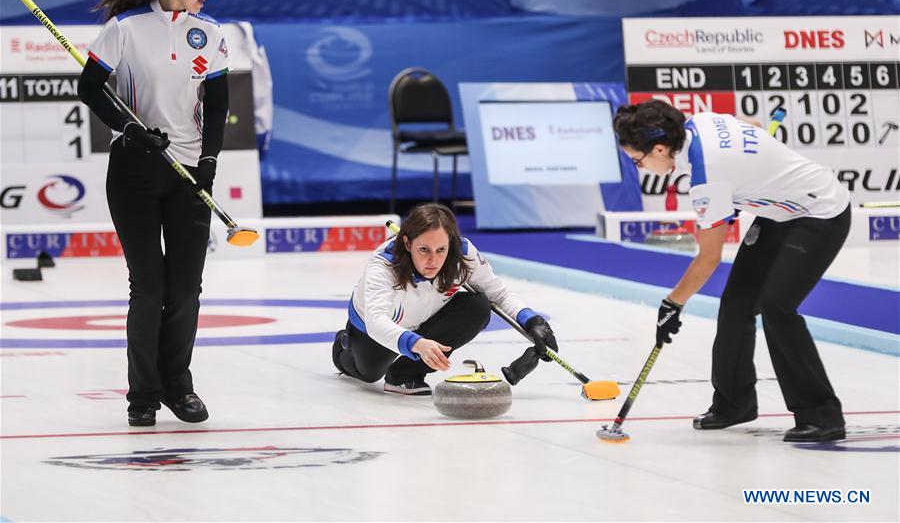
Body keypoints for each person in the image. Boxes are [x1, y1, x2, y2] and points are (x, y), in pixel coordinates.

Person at [614, 99, 850, 443]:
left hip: (819, 212)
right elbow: (752, 129)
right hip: (779, 211)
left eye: (638, 159)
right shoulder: (700, 122)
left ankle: (822, 415)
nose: (640, 166)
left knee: (776, 306)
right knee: (738, 301)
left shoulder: (707, 175)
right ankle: (733, 402)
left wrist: (672, 304)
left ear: (661, 148)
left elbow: (708, 258)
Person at [77, 0, 229, 427]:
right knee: (148, 285)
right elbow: (90, 87)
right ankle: (142, 394)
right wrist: (130, 129)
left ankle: (178, 387)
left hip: (188, 175)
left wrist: (209, 161)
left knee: (185, 288)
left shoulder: (211, 32)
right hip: (135, 173)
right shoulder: (126, 28)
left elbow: (219, 101)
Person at [332, 203, 558, 395]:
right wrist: (417, 343)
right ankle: (344, 345)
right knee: (368, 373)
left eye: (441, 249)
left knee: (478, 305)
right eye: (424, 249)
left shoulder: (463, 254)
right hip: (376, 326)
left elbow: (498, 293)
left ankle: (404, 375)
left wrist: (531, 320)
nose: (433, 260)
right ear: (408, 244)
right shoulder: (384, 264)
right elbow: (376, 321)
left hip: (426, 317)